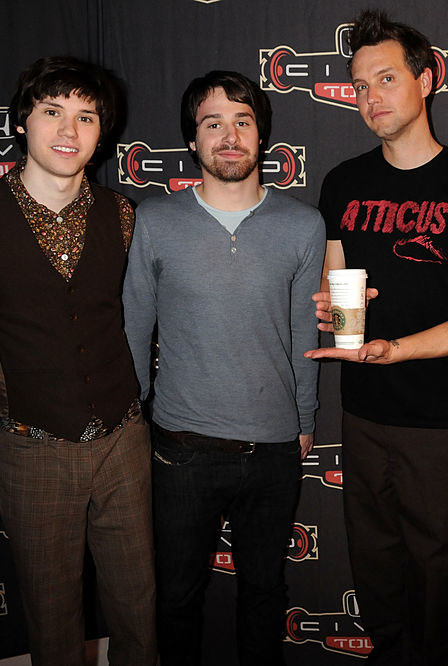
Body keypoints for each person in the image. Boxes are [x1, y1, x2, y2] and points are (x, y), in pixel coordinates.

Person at [304, 9, 448, 665]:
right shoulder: (343, 183)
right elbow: (340, 291)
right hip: (365, 418)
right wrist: (337, 318)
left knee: (439, 593)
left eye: (386, 78)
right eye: (360, 85)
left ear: (428, 78)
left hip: (445, 427)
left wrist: (398, 348)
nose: (370, 97)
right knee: (379, 586)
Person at [0, 56, 155, 664]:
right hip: (34, 449)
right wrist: (15, 409)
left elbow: (135, 317)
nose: (68, 130)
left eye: (86, 117)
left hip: (122, 441)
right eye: (53, 111)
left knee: (139, 609)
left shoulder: (123, 215)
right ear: (23, 122)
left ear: (101, 133)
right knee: (53, 619)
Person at [122, 70, 325, 665]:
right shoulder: (155, 221)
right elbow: (135, 326)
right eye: (213, 123)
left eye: (243, 122)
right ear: (193, 140)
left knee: (265, 592)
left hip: (274, 450)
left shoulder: (302, 225)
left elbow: (301, 330)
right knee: (177, 597)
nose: (229, 136)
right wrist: (135, 419)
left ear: (262, 136)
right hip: (182, 450)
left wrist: (304, 416)